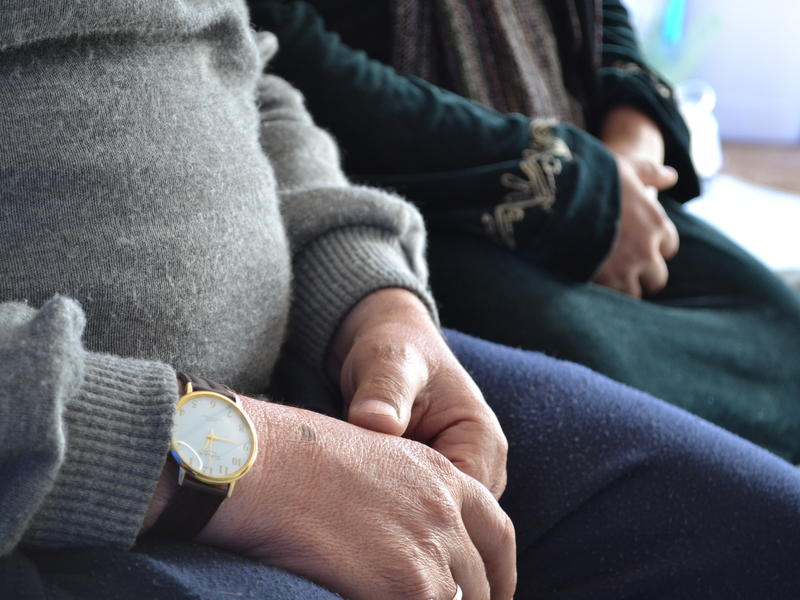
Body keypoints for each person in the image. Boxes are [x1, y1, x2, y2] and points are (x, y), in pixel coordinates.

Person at [4, 2, 800, 600]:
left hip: (319, 382)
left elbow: (247, 77)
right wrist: (222, 465)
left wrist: (372, 296)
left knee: (769, 534)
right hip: (67, 487)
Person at [250, 0, 800, 463]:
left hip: (607, 176)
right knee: (602, 398)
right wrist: (573, 185)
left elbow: (603, 19)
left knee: (782, 335)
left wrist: (631, 150)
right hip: (414, 212)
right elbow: (288, 53)